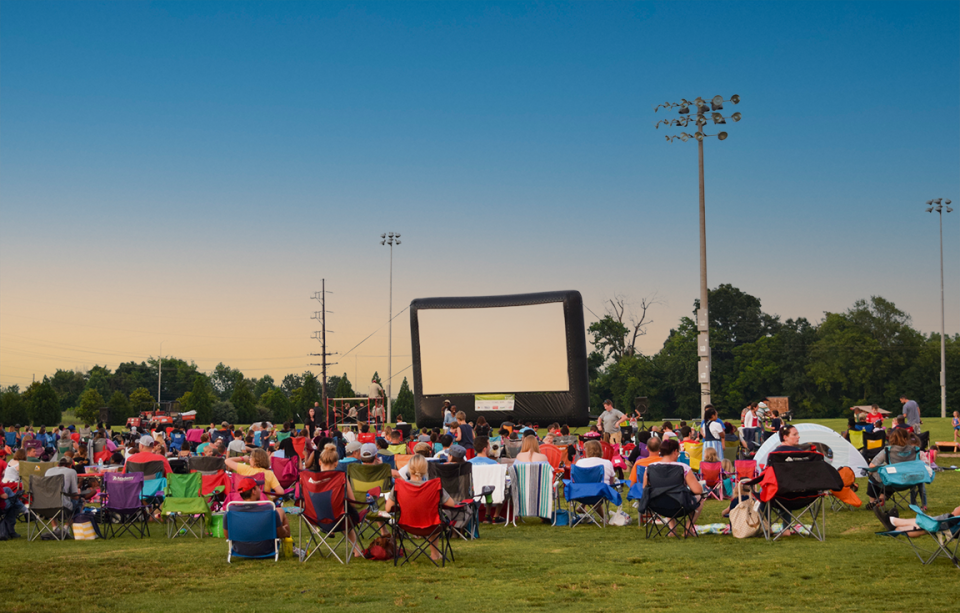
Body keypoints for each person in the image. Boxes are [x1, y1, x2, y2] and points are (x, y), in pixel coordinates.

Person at [384, 454, 458, 561]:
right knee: (435, 517)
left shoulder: (399, 486)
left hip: (406, 524)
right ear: (425, 469)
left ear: (409, 468)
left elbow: (387, 508)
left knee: (433, 518)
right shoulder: (434, 485)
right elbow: (451, 504)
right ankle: (434, 553)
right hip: (432, 525)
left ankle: (435, 553)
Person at [641, 438, 705, 535]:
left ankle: (672, 529)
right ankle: (688, 528)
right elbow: (698, 490)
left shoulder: (649, 468)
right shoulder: (683, 467)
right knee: (700, 498)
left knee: (666, 493)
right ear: (675, 451)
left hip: (656, 505)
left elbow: (645, 488)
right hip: (679, 505)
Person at [314, 444, 363, 558]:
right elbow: (352, 502)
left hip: (316, 518)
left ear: (320, 462)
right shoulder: (341, 477)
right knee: (345, 513)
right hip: (339, 518)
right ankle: (357, 550)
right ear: (336, 463)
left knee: (342, 513)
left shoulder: (311, 479)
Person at [224, 477, 290, 556]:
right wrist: (285, 531)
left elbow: (227, 536)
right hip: (267, 549)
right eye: (258, 487)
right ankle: (290, 544)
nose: (260, 490)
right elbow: (280, 534)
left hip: (240, 549)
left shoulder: (230, 511)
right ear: (253, 491)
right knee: (280, 511)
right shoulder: (269, 509)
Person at [865, 428, 921, 510]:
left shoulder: (887, 450)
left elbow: (872, 466)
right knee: (893, 476)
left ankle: (872, 501)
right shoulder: (914, 450)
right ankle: (882, 497)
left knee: (874, 475)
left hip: (892, 481)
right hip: (909, 481)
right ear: (906, 439)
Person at [874, 504, 960, 535]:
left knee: (930, 524)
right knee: (927, 526)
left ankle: (894, 522)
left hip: (953, 526)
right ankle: (897, 526)